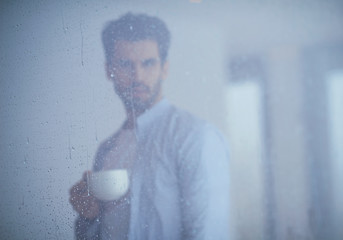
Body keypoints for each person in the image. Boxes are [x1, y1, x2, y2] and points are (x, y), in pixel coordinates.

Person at [69, 12, 230, 240]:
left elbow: (208, 234)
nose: (138, 76)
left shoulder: (196, 137)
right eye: (125, 64)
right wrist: (88, 216)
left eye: (148, 63)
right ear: (109, 71)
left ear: (164, 68)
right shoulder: (106, 150)